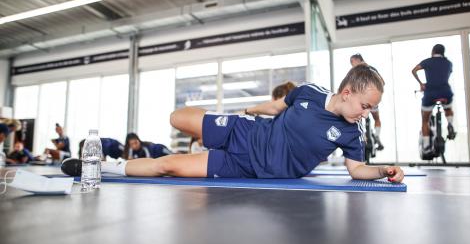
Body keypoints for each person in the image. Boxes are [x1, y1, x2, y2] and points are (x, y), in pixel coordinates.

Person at [62, 65, 404, 182]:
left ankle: (102, 168)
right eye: (366, 106)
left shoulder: (350, 131)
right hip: (244, 130)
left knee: (168, 166)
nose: (367, 114)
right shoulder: (309, 92)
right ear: (346, 93)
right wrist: (246, 110)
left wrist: (383, 170)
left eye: (371, 110)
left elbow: (357, 170)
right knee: (176, 117)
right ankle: (213, 129)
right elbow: (274, 106)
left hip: (245, 166)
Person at [411, 44, 456, 154]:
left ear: (433, 51)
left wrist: (421, 84)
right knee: (448, 108)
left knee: (425, 120)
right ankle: (450, 124)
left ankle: (426, 146)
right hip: (446, 92)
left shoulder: (427, 61)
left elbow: (414, 70)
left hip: (430, 93)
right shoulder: (448, 63)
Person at [350, 53, 384, 150]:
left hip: (362, 101)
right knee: (376, 118)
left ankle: (362, 137)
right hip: (372, 100)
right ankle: (377, 136)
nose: (352, 64)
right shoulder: (372, 69)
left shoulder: (359, 71)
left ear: (358, 60)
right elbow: (382, 82)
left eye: (352, 62)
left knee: (356, 117)